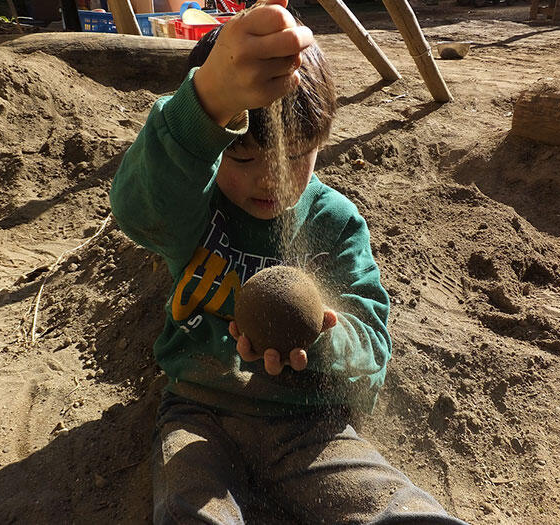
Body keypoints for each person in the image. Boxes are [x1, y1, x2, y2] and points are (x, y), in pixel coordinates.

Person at [110, 2, 470, 523]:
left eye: (296, 154)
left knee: (397, 508)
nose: (270, 179)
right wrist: (207, 104)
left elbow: (370, 354)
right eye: (242, 156)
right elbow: (138, 212)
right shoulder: (193, 200)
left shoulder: (335, 223)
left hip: (306, 425)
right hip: (199, 411)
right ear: (217, 151)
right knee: (191, 509)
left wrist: (324, 337)